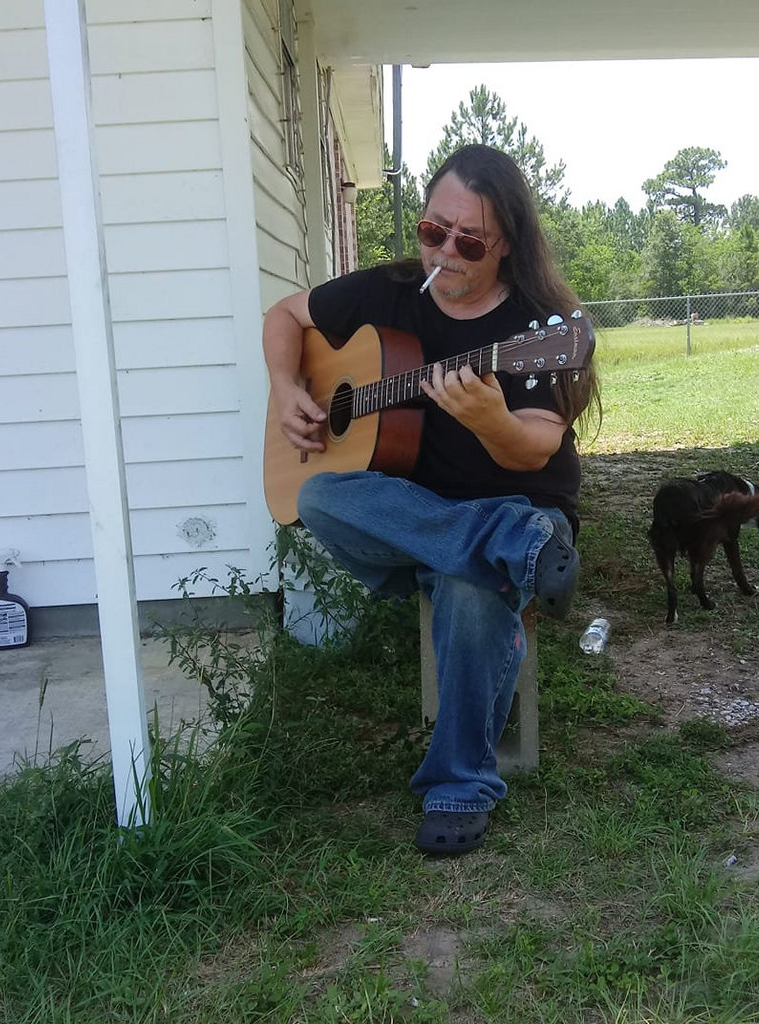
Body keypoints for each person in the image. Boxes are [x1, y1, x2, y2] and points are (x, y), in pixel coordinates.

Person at [262, 144, 598, 855]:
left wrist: (490, 420)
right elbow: (284, 316)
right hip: (419, 523)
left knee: (470, 583)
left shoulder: (537, 331)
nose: (444, 252)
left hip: (528, 510)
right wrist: (287, 387)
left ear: (506, 246)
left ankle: (459, 787)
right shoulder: (390, 290)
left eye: (468, 241)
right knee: (318, 495)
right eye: (432, 230)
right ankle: (498, 544)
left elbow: (534, 452)